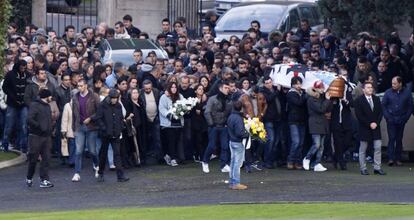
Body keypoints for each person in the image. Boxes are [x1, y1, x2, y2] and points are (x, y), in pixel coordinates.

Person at [93, 89, 129, 182]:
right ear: (109, 97)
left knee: (117, 154)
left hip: (115, 133)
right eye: (113, 98)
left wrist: (120, 127)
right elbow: (98, 118)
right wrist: (104, 128)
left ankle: (120, 176)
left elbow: (121, 118)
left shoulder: (118, 106)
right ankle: (101, 173)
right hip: (106, 134)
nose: (114, 100)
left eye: (116, 98)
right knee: (103, 155)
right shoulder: (103, 105)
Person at [71, 80, 100, 182]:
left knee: (92, 150)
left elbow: (99, 111)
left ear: (86, 86)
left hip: (91, 127)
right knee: (78, 151)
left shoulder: (94, 96)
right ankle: (77, 173)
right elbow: (74, 114)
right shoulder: (75, 97)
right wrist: (73, 128)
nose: (80, 88)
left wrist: (91, 118)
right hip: (80, 127)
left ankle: (97, 166)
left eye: (81, 86)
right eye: (78, 86)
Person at [355, 82, 385, 175]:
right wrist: (369, 124)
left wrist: (376, 122)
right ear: (363, 89)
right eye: (368, 87)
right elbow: (359, 115)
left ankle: (377, 167)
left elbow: (380, 112)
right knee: (363, 149)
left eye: (371, 87)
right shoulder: (359, 100)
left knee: (378, 147)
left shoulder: (376, 99)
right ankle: (363, 168)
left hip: (376, 127)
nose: (370, 89)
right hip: (364, 128)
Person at [202, 81, 232, 173]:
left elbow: (229, 112)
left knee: (225, 146)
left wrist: (227, 123)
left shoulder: (229, 100)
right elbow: (207, 112)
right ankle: (205, 161)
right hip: (214, 126)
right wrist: (211, 124)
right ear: (220, 88)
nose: (228, 89)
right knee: (211, 145)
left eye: (228, 88)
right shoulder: (212, 99)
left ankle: (223, 165)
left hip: (223, 126)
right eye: (226, 88)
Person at [382, 76, 413, 166]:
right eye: (392, 83)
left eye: (395, 83)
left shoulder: (407, 93)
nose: (393, 85)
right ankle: (391, 159)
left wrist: (405, 118)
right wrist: (388, 117)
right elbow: (383, 105)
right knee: (391, 138)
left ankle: (398, 159)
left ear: (400, 84)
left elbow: (410, 107)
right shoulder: (388, 92)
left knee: (399, 139)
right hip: (391, 119)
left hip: (401, 119)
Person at [26, 89, 54, 188]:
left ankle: (44, 180)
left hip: (46, 136)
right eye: (50, 96)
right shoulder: (35, 105)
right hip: (35, 136)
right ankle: (29, 177)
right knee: (33, 159)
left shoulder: (48, 106)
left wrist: (50, 128)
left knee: (46, 159)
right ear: (46, 96)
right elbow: (29, 119)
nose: (51, 98)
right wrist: (39, 126)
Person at [303, 80, 332, 172]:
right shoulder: (311, 99)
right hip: (315, 123)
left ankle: (317, 163)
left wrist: (328, 100)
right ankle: (307, 158)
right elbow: (321, 109)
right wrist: (327, 100)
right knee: (316, 144)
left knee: (321, 146)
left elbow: (327, 108)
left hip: (322, 123)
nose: (323, 89)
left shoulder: (321, 97)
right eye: (321, 87)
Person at [2, 60, 30, 152]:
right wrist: (12, 96)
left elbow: (30, 88)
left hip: (24, 103)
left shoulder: (28, 75)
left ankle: (24, 146)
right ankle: (5, 144)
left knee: (23, 125)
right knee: (9, 125)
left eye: (24, 66)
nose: (23, 68)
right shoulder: (10, 74)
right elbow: (5, 87)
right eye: (21, 66)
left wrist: (26, 98)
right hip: (12, 103)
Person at [159, 82, 184, 166]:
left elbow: (184, 105)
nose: (174, 89)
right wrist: (169, 114)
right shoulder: (164, 97)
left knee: (177, 141)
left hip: (178, 122)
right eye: (172, 87)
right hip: (168, 124)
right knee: (170, 141)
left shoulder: (180, 96)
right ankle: (172, 158)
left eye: (175, 87)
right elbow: (161, 108)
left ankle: (171, 156)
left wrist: (181, 112)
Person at [227, 101, 249, 190]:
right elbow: (239, 133)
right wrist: (248, 134)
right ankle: (236, 183)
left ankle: (232, 182)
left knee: (233, 162)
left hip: (231, 141)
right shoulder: (238, 118)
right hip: (238, 142)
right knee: (237, 163)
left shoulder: (231, 116)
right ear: (241, 108)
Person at [286, 77, 307, 170]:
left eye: (300, 84)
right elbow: (298, 103)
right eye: (297, 84)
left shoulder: (302, 93)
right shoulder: (291, 94)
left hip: (302, 120)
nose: (299, 86)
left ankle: (298, 161)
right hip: (293, 120)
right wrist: (305, 95)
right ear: (293, 84)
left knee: (301, 143)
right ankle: (290, 160)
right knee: (296, 141)